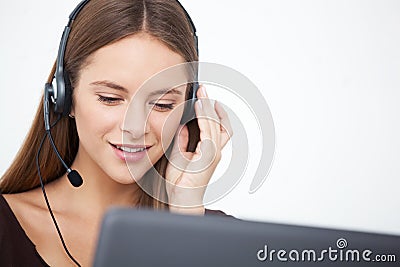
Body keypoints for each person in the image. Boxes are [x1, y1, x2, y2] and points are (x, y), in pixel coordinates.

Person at [0, 0, 233, 266]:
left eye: (162, 104)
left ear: (188, 108)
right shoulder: (5, 226)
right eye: (110, 98)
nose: (134, 128)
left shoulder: (219, 238)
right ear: (64, 97)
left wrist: (186, 218)